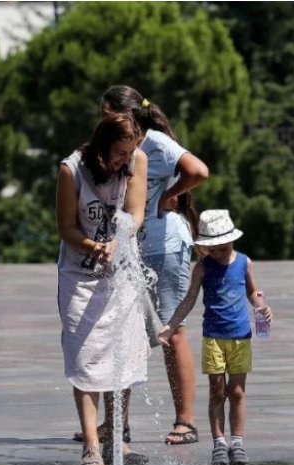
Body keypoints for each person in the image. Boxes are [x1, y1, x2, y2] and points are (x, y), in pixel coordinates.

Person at [100, 85, 209, 446]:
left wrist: (168, 195)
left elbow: (198, 170)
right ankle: (118, 424)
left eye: (108, 113)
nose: (103, 120)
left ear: (128, 114)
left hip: (165, 245)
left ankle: (186, 422)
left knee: (170, 330)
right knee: (126, 332)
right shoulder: (121, 148)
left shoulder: (156, 143)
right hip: (135, 246)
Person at [56, 112, 149, 465]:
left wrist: (117, 239)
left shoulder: (137, 160)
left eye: (130, 153)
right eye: (120, 154)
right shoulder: (72, 170)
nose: (126, 160)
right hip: (79, 275)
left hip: (121, 271)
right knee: (86, 358)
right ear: (101, 148)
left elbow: (135, 213)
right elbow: (65, 227)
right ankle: (91, 445)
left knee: (123, 355)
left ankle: (117, 439)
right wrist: (94, 246)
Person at [158, 209, 272, 465]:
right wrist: (170, 325)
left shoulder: (244, 262)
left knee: (238, 391)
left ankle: (238, 443)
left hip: (240, 337)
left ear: (232, 241)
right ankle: (219, 443)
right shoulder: (203, 267)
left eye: (223, 248)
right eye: (213, 250)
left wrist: (261, 307)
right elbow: (189, 299)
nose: (219, 254)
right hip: (214, 338)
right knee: (217, 391)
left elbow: (254, 292)